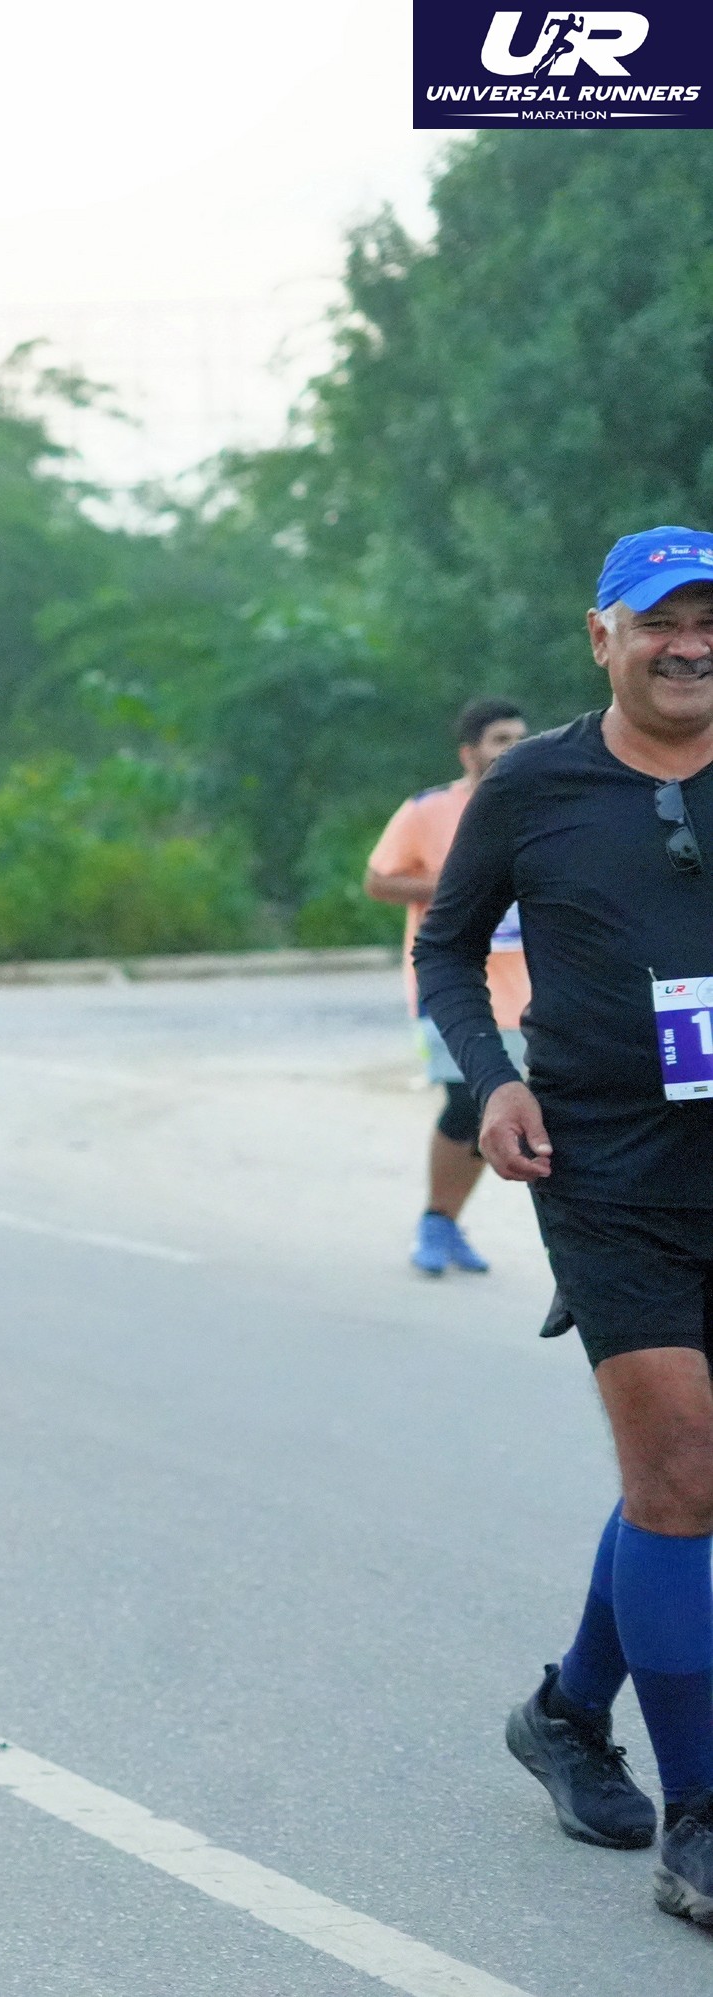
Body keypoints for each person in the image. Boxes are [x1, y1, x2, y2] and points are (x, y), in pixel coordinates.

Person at [422, 526, 713, 1931]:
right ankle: (699, 1817)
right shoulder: (533, 784)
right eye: (660, 619)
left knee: (683, 1482)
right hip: (603, 1168)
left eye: (709, 620)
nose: (689, 644)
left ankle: (563, 1711)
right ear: (600, 635)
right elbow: (444, 947)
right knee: (680, 1472)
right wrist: (490, 1082)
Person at [366, 697, 531, 1274]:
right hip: (452, 985)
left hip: (527, 992)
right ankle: (436, 1220)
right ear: (469, 752)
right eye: (501, 740)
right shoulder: (428, 810)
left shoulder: (539, 802)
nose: (513, 749)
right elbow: (379, 881)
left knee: (501, 1110)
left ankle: (450, 1222)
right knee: (466, 1101)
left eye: (520, 738)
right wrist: (460, 884)